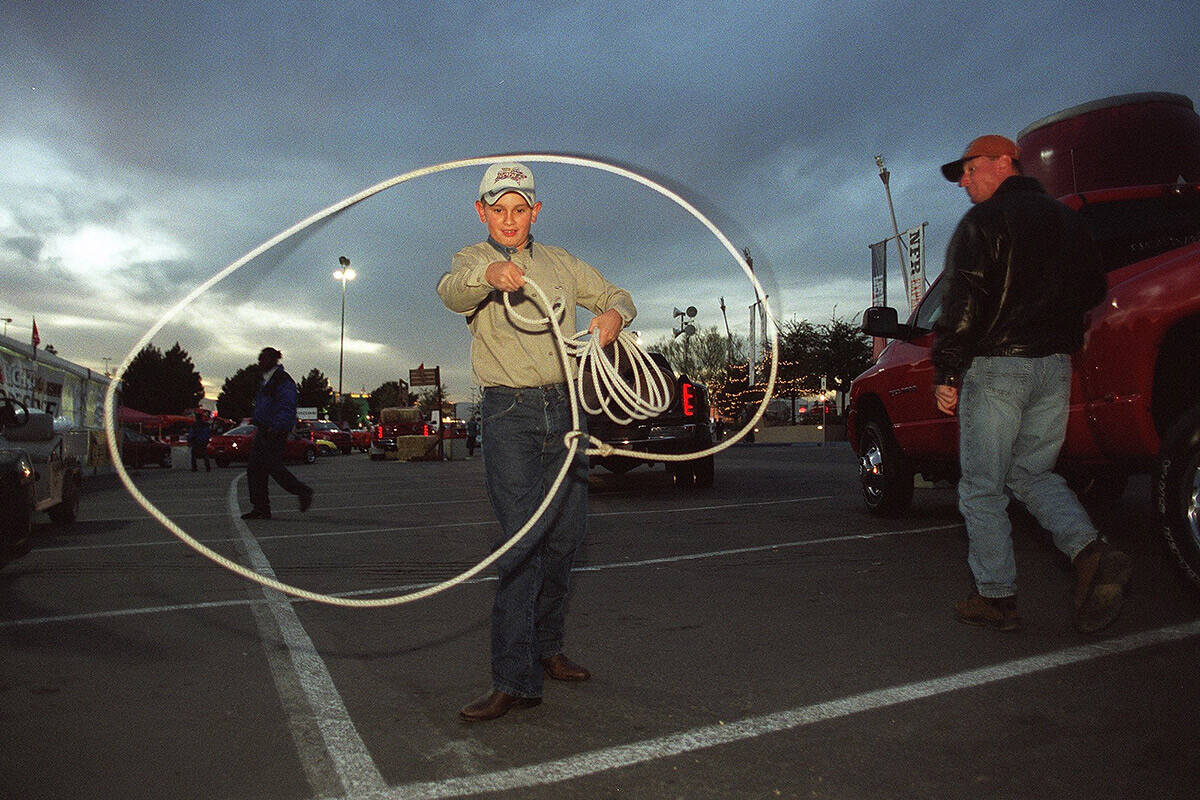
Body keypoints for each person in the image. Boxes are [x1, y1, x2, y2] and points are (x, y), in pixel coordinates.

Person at [437, 162, 636, 721]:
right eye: (497, 210)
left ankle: (546, 649)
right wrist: (491, 277)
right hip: (511, 414)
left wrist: (613, 316)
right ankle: (512, 678)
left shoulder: (561, 264)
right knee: (522, 544)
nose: (508, 219)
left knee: (566, 539)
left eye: (518, 209)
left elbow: (617, 292)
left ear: (535, 212)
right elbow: (451, 292)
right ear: (482, 213)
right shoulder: (473, 260)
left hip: (569, 408)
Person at [932, 134, 1131, 634]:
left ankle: (996, 598)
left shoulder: (983, 223)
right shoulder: (1069, 221)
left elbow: (963, 304)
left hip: (998, 368)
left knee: (982, 487)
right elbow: (1094, 289)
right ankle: (1090, 552)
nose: (964, 181)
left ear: (1005, 162)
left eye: (970, 168)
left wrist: (948, 372)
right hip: (1054, 367)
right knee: (1032, 473)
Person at [241, 347, 313, 520]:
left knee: (272, 466)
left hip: (274, 430)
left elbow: (287, 405)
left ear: (273, 360)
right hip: (265, 428)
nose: (259, 362)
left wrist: (278, 426)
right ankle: (261, 508)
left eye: (262, 359)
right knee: (255, 469)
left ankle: (302, 491)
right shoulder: (267, 380)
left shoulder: (282, 380)